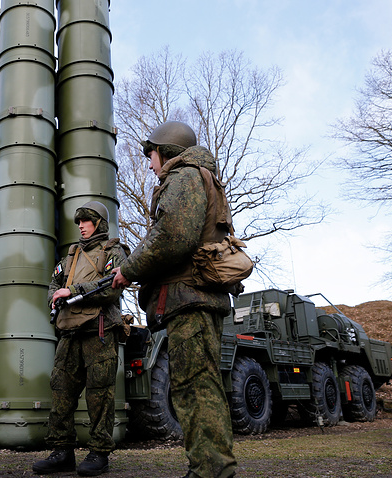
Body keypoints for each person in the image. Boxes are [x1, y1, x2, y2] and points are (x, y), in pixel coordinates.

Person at [111, 121, 237, 478]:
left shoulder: (183, 177)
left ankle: (211, 470)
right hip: (195, 300)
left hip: (189, 301)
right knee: (199, 386)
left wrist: (129, 270)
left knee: (195, 388)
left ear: (165, 151)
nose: (151, 165)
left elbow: (171, 236)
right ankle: (210, 467)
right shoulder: (202, 177)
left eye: (151, 156)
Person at [32, 201, 128, 477]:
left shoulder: (113, 251)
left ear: (99, 223)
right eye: (79, 222)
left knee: (100, 394)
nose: (82, 226)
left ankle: (99, 452)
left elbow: (112, 287)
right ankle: (62, 452)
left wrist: (72, 290)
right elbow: (54, 283)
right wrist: (54, 297)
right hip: (69, 332)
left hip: (99, 331)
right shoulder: (70, 256)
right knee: (61, 390)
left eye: (87, 221)